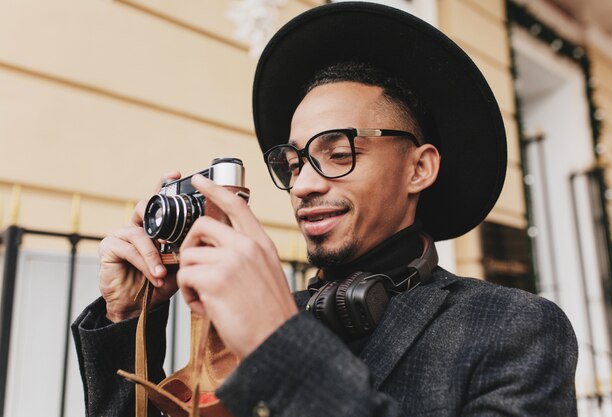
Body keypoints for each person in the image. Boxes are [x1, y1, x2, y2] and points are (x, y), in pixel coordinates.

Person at [72, 2, 578, 416]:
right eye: (292, 164)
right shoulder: (264, 314)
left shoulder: (515, 328)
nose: (303, 186)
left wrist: (279, 343)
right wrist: (127, 318)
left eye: (338, 153)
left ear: (419, 169)